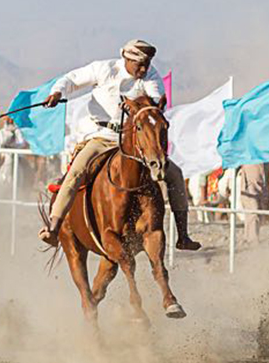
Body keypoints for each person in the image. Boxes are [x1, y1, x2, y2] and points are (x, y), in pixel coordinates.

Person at [37, 39, 200, 250]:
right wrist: (58, 92)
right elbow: (71, 79)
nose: (143, 69)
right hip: (102, 136)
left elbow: (156, 100)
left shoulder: (151, 76)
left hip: (135, 142)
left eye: (146, 64)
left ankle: (183, 235)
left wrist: (135, 106)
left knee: (175, 174)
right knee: (76, 172)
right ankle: (54, 227)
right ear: (126, 58)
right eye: (139, 64)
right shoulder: (104, 69)